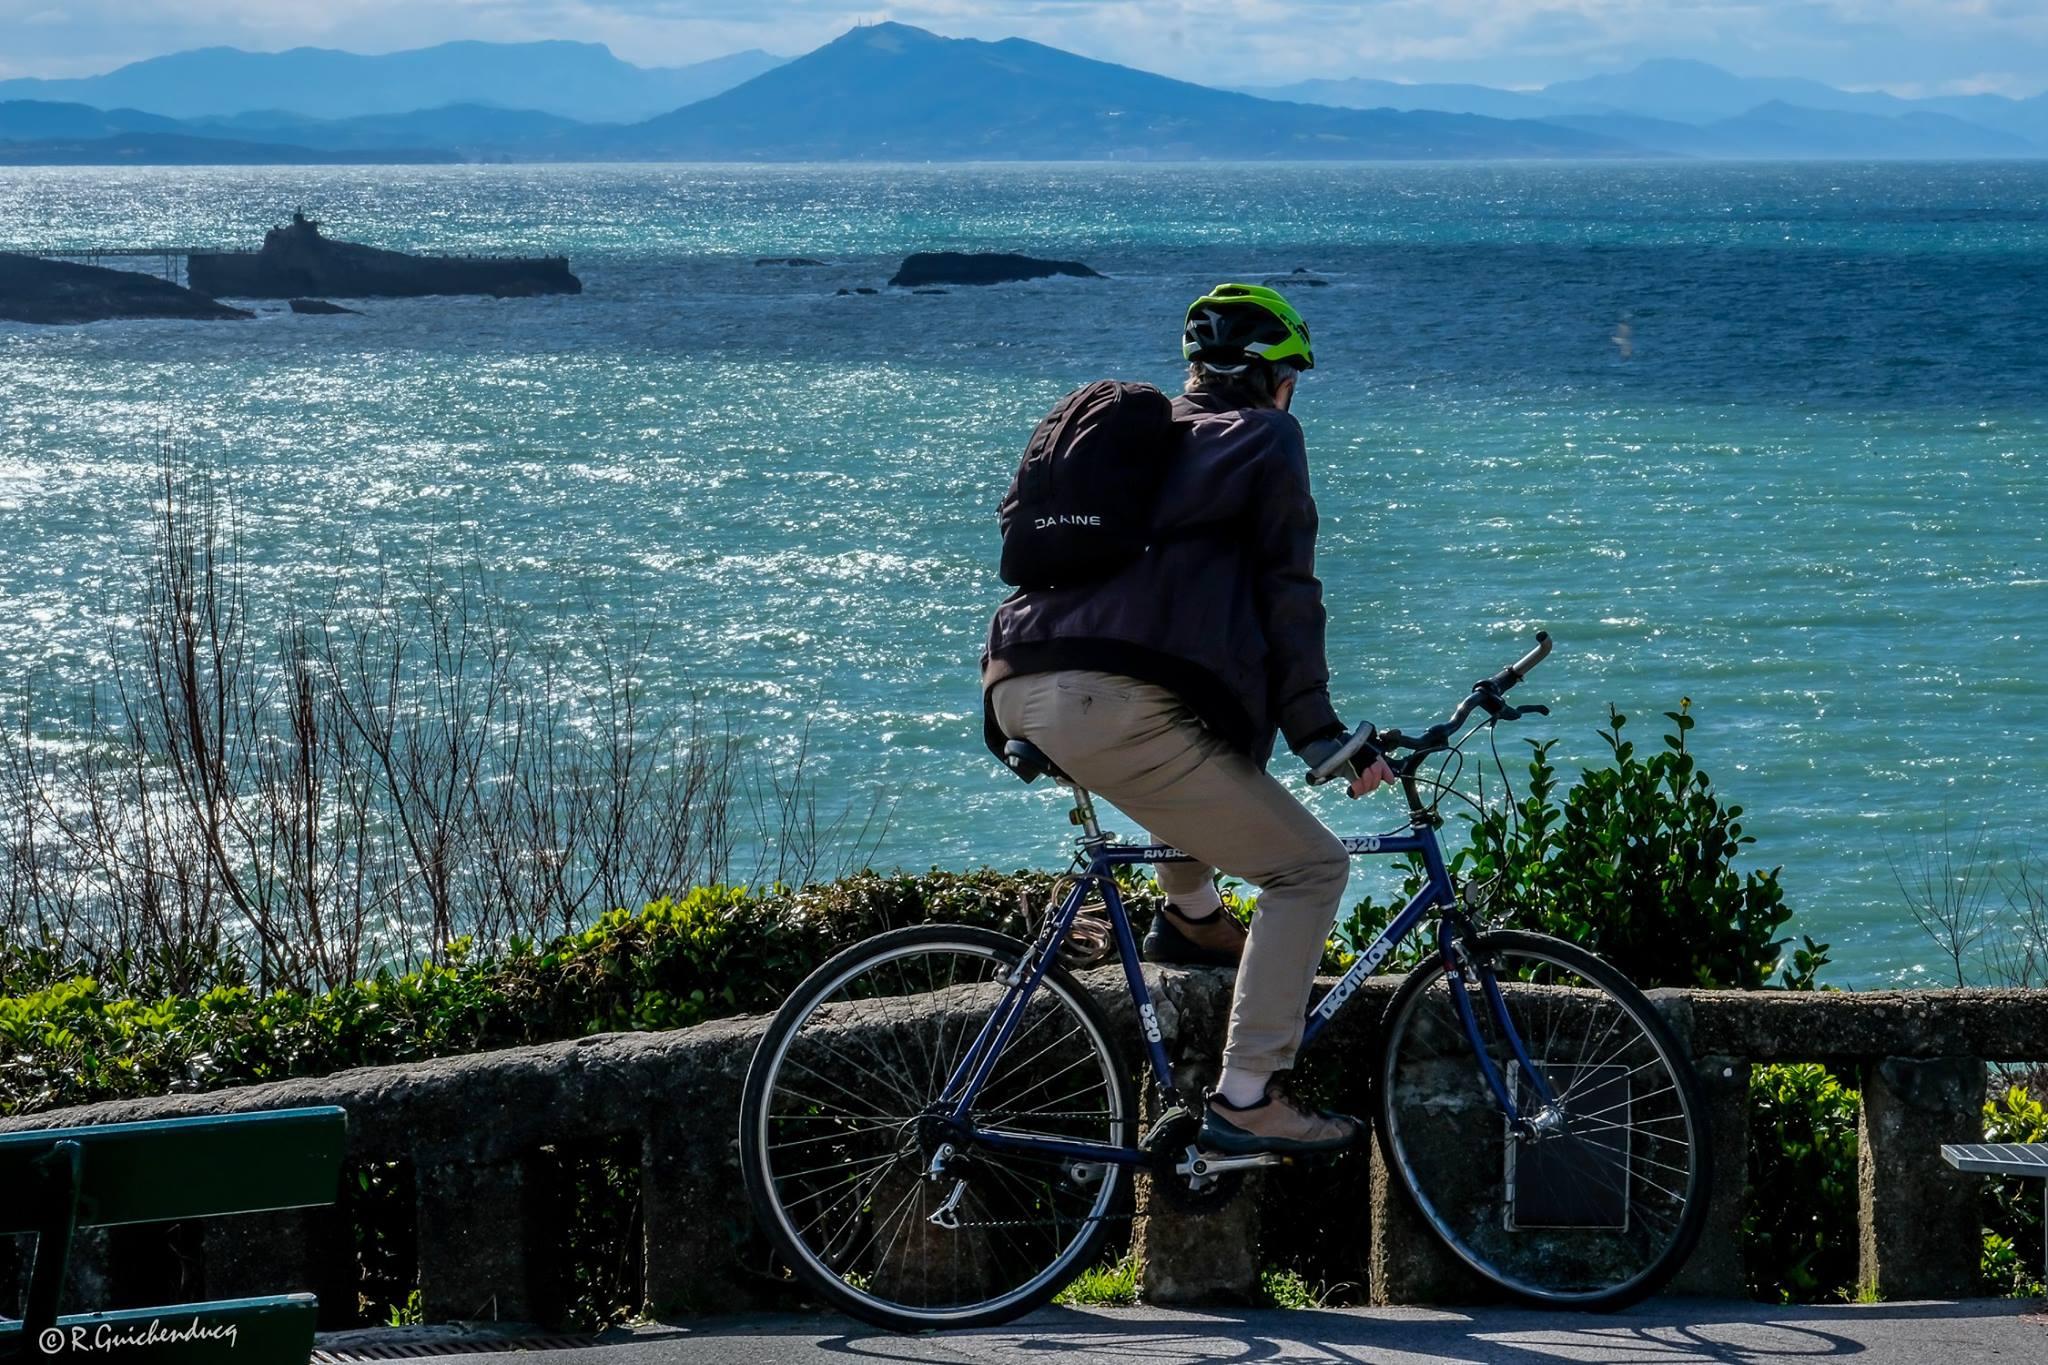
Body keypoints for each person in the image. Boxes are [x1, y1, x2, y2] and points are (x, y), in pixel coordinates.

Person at [981, 283, 1395, 1156]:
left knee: (1201, 760)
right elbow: (1289, 592)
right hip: (1112, 697)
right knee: (1310, 869)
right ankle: (1247, 1095)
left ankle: (1194, 914)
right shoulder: (1267, 437)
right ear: (1276, 377)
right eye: (1296, 377)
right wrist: (1321, 734)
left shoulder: (1146, 439)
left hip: (1020, 676)